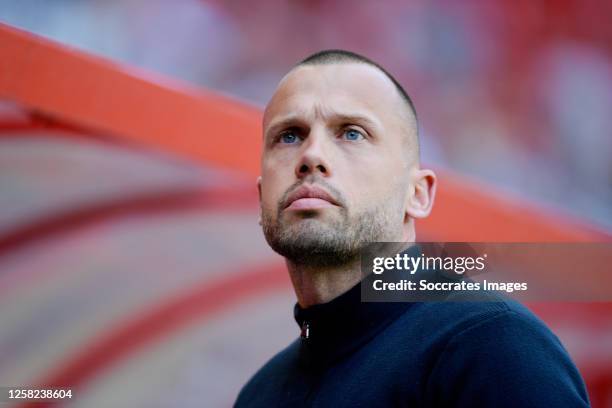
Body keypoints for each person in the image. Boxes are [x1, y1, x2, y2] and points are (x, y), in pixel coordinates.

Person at [235, 49, 590, 407]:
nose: (312, 155)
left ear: (417, 194)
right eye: (289, 136)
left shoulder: (489, 345)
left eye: (352, 133)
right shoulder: (258, 395)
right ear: (263, 195)